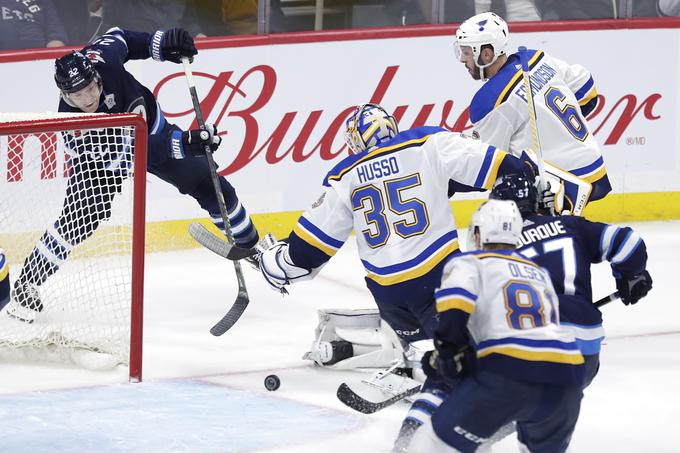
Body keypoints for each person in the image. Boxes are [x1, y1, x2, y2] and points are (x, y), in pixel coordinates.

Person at [252, 103, 535, 450]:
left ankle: (422, 365)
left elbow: (304, 255)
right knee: (473, 356)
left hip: (390, 298)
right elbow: (502, 167)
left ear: (355, 142)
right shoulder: (427, 142)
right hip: (441, 279)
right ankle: (444, 423)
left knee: (438, 352)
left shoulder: (344, 175)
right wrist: (523, 175)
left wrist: (274, 262)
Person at [4, 27, 259, 322]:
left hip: (153, 129)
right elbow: (134, 156)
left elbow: (122, 37)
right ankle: (28, 283)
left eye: (90, 87)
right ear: (64, 95)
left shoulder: (104, 59)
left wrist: (163, 44)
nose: (88, 98)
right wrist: (187, 144)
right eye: (77, 94)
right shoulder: (75, 126)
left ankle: (252, 247)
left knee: (211, 186)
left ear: (95, 76)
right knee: (79, 219)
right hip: (99, 166)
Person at [409, 199, 586, 453]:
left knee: (429, 445)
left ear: (478, 233)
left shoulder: (470, 262)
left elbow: (454, 308)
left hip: (509, 372)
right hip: (567, 378)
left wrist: (448, 353)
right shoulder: (540, 273)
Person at [490, 173, 653, 386]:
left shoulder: (495, 249)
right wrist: (631, 276)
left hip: (532, 349)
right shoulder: (570, 225)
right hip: (586, 346)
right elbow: (630, 244)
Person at [454, 12, 612, 208]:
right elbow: (587, 91)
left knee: (507, 207)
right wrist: (553, 128)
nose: (462, 59)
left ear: (486, 54)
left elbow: (486, 165)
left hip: (559, 187)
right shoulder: (536, 58)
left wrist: (448, 180)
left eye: (467, 52)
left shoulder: (490, 100)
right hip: (595, 167)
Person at [0, 0, 67, 51]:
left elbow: (55, 32)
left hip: (40, 59)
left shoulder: (44, 2)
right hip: (4, 61)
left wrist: (50, 56)